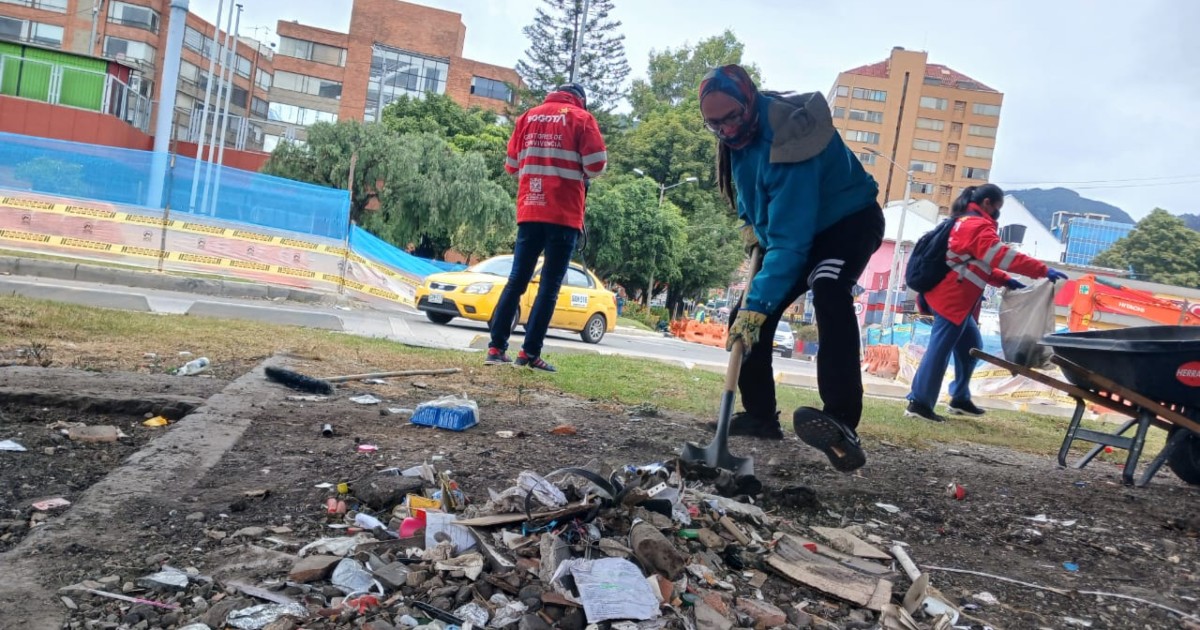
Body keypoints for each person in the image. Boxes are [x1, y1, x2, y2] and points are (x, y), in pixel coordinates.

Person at [699, 65, 884, 472]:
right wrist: (753, 227)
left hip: (846, 221)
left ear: (747, 101)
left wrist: (760, 299)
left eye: (730, 118)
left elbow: (791, 240)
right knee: (745, 316)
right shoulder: (737, 139)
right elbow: (753, 198)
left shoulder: (791, 138)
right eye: (714, 124)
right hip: (790, 232)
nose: (726, 130)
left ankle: (840, 419)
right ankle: (761, 415)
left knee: (829, 288)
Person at [905, 184, 1069, 422]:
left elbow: (977, 264)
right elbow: (999, 256)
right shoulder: (977, 225)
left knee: (971, 346)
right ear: (987, 203)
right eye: (997, 208)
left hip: (952, 299)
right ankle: (919, 403)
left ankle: (959, 397)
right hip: (951, 300)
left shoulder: (964, 223)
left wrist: (1007, 280)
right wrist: (1042, 270)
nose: (997, 214)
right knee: (939, 351)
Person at [486, 83, 607, 371]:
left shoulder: (527, 117)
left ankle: (495, 348)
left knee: (517, 280)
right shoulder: (581, 119)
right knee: (549, 286)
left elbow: (512, 165)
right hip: (563, 214)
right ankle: (529, 354)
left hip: (529, 209)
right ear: (581, 100)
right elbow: (596, 165)